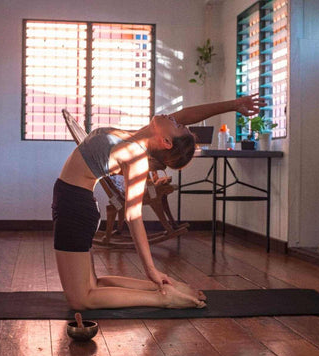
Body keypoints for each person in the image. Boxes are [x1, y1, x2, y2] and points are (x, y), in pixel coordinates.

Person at [53, 94, 266, 310]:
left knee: (81, 300)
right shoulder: (135, 138)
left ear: (165, 141)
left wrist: (150, 269)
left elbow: (132, 216)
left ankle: (164, 298)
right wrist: (233, 104)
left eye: (177, 125)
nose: (176, 119)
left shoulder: (135, 156)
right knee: (93, 285)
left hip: (74, 206)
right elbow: (187, 114)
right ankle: (163, 287)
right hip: (74, 202)